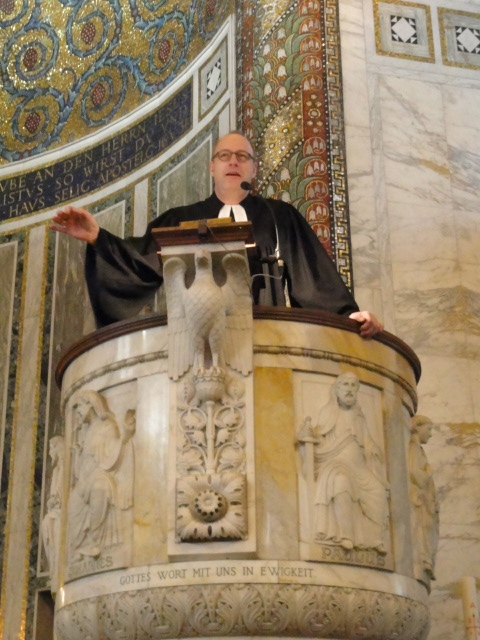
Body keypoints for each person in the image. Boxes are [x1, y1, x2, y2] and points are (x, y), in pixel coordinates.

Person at [51, 132, 382, 337]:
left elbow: (314, 282)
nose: (233, 162)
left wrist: (347, 318)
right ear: (212, 168)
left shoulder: (278, 216)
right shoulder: (182, 219)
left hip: (270, 340)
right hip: (197, 341)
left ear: (254, 169)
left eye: (243, 157)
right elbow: (138, 261)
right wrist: (98, 237)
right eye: (225, 156)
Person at [306, 372, 389, 552]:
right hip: (336, 463)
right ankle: (346, 535)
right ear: (336, 390)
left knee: (378, 491)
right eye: (345, 385)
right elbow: (320, 436)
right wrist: (309, 435)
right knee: (341, 483)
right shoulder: (329, 411)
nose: (349, 390)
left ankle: (373, 538)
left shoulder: (359, 415)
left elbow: (366, 439)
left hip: (359, 468)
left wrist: (373, 448)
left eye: (353, 386)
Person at [408, 415, 439, 581]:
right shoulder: (413, 447)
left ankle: (426, 560)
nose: (431, 434)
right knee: (421, 528)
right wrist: (428, 473)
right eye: (429, 429)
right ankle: (424, 559)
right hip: (419, 498)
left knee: (425, 528)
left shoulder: (418, 448)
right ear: (418, 428)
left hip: (425, 499)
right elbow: (414, 472)